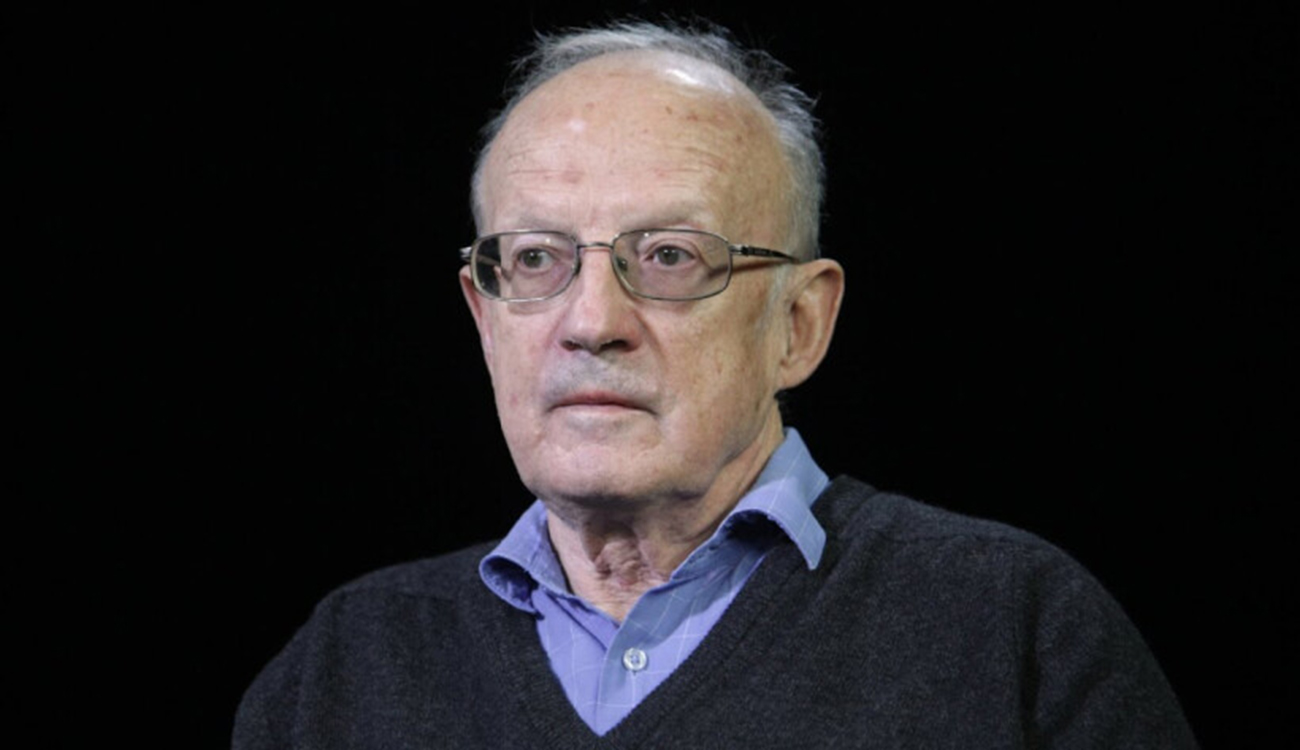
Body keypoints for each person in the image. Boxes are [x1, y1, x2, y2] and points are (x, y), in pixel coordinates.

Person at [234, 20, 1198, 748]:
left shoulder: (1011, 628)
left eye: (669, 256)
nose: (592, 321)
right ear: (485, 317)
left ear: (798, 325)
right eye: (535, 259)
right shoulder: (342, 669)